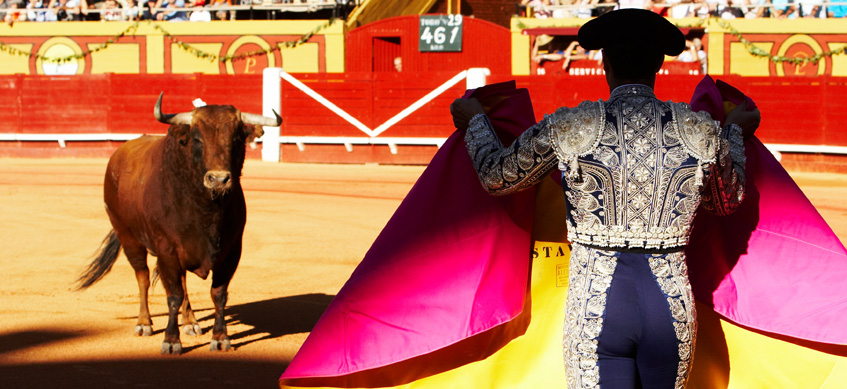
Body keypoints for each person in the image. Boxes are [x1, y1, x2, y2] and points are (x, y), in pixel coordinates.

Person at [451, 9, 760, 388]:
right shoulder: (699, 131)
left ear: (604, 63)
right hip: (670, 308)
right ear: (659, 64)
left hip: (596, 306)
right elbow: (727, 201)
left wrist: (476, 122)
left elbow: (496, 177)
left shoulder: (573, 125)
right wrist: (734, 134)